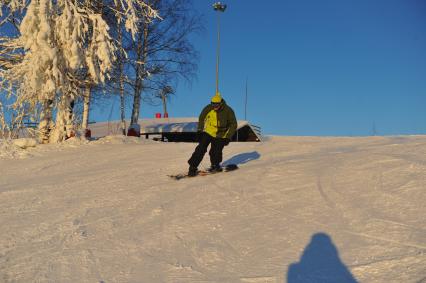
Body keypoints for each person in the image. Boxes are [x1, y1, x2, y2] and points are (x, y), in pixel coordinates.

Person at [188, 92, 237, 176]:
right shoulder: (208, 108)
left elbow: (233, 124)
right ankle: (192, 167)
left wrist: (228, 137)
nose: (214, 106)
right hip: (209, 132)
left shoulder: (228, 111)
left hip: (221, 134)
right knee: (200, 149)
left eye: (216, 105)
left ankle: (215, 165)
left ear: (221, 103)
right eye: (213, 104)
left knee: (216, 151)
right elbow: (201, 118)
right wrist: (200, 130)